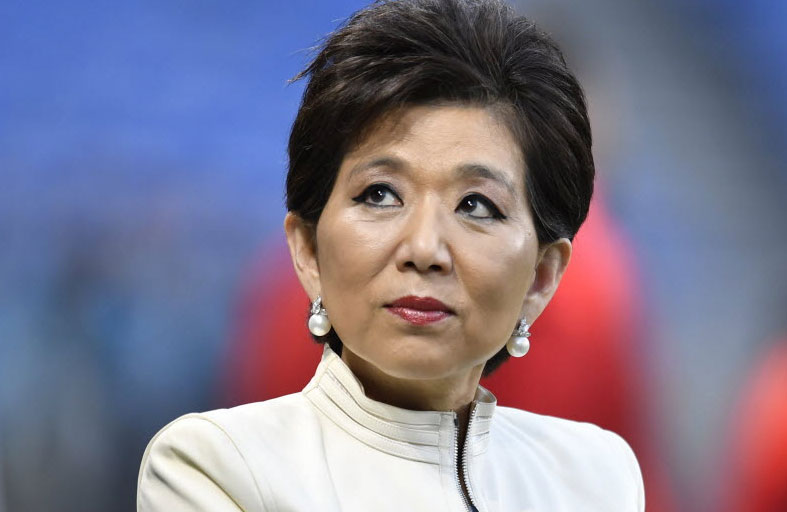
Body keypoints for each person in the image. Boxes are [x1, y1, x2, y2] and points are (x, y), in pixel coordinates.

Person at [137, 0, 645, 510]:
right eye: (380, 194)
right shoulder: (214, 465)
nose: (424, 249)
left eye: (476, 205)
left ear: (541, 277)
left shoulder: (596, 478)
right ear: (308, 251)